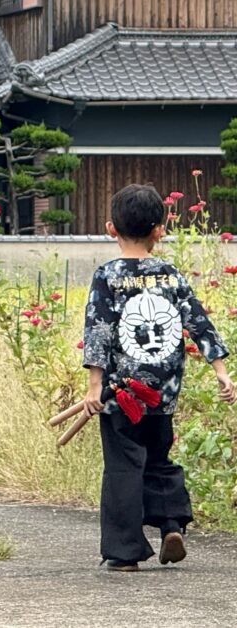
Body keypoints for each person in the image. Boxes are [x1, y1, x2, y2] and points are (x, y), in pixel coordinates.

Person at [80, 183, 235, 571]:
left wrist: (94, 386)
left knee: (124, 466)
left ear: (110, 228)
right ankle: (171, 524)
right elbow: (197, 321)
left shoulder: (107, 276)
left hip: (120, 393)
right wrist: (221, 370)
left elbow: (98, 331)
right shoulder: (170, 274)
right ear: (159, 230)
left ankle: (125, 552)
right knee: (158, 456)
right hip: (163, 390)